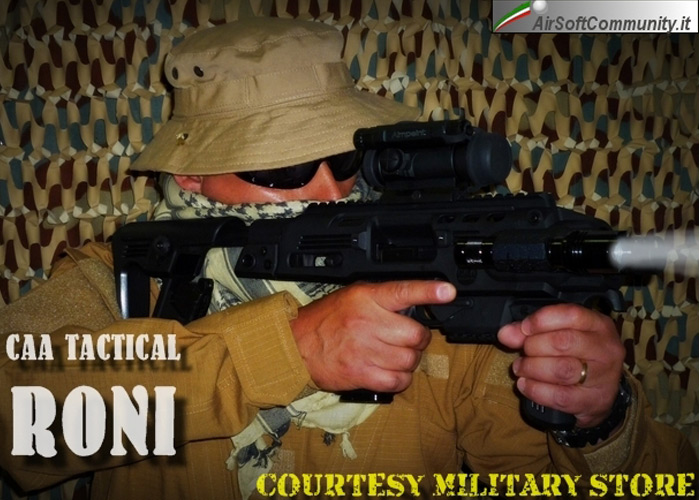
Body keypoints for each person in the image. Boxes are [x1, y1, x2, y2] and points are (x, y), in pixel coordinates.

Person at [0, 17, 695, 500]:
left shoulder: (445, 296)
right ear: (191, 176)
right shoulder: (117, 277)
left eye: (344, 160)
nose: (330, 191)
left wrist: (602, 425)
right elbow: (19, 420)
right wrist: (288, 349)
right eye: (285, 170)